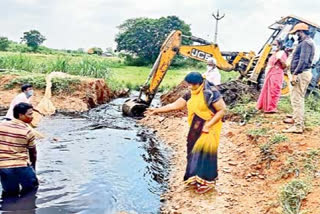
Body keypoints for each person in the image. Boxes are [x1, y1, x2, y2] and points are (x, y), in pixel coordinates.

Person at [146, 72, 226, 193]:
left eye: (192, 84)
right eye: (188, 84)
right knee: (193, 151)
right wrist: (156, 110)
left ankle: (207, 182)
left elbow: (222, 110)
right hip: (195, 125)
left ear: (200, 83)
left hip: (209, 126)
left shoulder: (211, 93)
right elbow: (175, 105)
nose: (189, 87)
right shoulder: (190, 93)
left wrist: (208, 125)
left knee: (206, 153)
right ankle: (194, 177)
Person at [0, 103, 38, 197]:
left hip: (4, 167)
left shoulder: (1, 126)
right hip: (22, 166)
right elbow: (33, 153)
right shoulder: (28, 131)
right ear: (20, 115)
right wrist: (33, 168)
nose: (32, 117)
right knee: (31, 191)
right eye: (29, 114)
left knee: (10, 195)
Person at [283, 23, 315, 134]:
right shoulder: (304, 43)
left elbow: (303, 61)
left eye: (297, 33)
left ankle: (298, 126)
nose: (296, 35)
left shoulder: (306, 43)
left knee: (297, 99)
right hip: (301, 73)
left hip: (301, 74)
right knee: (296, 98)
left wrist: (295, 74)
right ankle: (296, 118)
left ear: (301, 32)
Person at [256, 40, 288, 113]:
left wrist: (280, 60)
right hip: (270, 73)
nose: (273, 46)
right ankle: (264, 106)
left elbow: (284, 66)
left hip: (277, 74)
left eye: (275, 45)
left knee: (274, 90)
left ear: (279, 45)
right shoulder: (274, 54)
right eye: (273, 44)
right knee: (267, 89)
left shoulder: (281, 53)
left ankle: (271, 108)